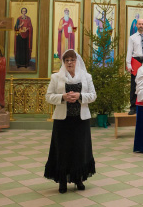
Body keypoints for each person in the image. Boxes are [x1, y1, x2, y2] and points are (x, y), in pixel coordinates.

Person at [44, 50, 96, 193]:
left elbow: (93, 95)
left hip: (81, 120)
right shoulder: (56, 77)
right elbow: (48, 96)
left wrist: (80, 96)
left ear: (77, 61)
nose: (69, 63)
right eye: (66, 60)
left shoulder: (86, 77)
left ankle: (78, 178)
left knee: (80, 150)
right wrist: (62, 97)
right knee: (63, 150)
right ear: (63, 62)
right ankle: (62, 181)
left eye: (72, 60)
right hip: (63, 121)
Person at [126, 18, 143, 115]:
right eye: (139, 24)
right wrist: (128, 65)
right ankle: (133, 107)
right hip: (136, 60)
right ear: (136, 25)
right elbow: (129, 51)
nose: (141, 25)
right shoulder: (132, 38)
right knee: (135, 84)